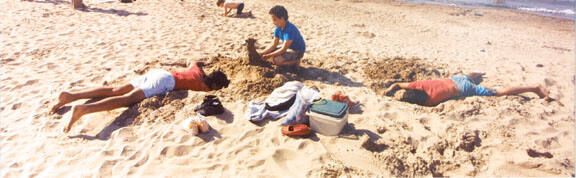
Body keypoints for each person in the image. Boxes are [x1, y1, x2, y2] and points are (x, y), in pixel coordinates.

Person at [50, 61, 230, 132]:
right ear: (214, 86)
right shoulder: (203, 87)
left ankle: (70, 96)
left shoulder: (197, 72)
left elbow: (195, 62)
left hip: (159, 73)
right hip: (164, 82)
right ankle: (83, 109)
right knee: (126, 100)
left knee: (116, 89)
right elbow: (208, 90)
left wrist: (203, 67)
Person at [385, 72, 549, 106]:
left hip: (464, 89)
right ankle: (479, 74)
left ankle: (534, 88)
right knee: (466, 75)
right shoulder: (417, 85)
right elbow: (398, 84)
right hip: (454, 78)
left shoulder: (429, 101)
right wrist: (390, 89)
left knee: (499, 92)